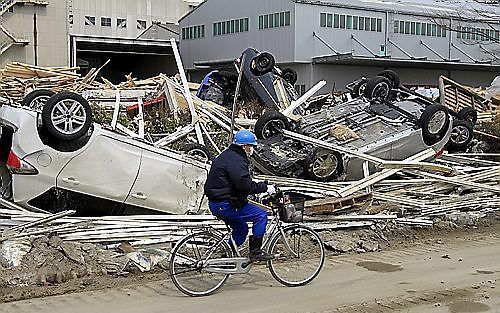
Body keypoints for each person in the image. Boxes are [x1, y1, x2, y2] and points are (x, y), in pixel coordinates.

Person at [204, 129, 276, 261]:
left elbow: (237, 180)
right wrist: (265, 188)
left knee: (241, 229)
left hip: (218, 202)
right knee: (261, 215)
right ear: (244, 146)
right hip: (225, 204)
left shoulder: (228, 155)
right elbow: (244, 186)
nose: (252, 149)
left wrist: (258, 184)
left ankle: (227, 257)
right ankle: (256, 251)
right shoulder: (236, 160)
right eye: (251, 146)